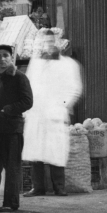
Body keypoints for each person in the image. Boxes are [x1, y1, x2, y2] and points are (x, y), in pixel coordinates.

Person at [22, 29, 83, 197]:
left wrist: (62, 106)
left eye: (51, 41)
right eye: (45, 42)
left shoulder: (69, 64)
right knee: (36, 151)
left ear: (58, 43)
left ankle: (59, 187)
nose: (48, 45)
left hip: (56, 113)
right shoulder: (35, 63)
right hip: (36, 113)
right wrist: (28, 109)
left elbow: (75, 89)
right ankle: (38, 187)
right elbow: (27, 86)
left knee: (56, 151)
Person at [0, 43, 34, 212]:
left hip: (12, 129)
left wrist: (8, 110)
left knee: (12, 167)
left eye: (5, 55)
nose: (2, 59)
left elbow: (27, 101)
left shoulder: (19, 77)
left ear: (11, 58)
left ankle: (10, 203)